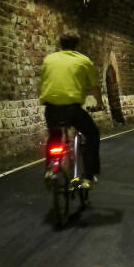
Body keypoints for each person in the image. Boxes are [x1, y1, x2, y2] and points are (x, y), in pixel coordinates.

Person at [40, 31, 105, 188]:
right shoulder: (84, 61)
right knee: (92, 134)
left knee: (54, 135)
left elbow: (44, 80)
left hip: (51, 108)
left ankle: (50, 168)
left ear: (60, 44)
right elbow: (95, 87)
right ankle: (89, 176)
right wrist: (100, 103)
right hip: (72, 110)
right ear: (77, 45)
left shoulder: (49, 59)